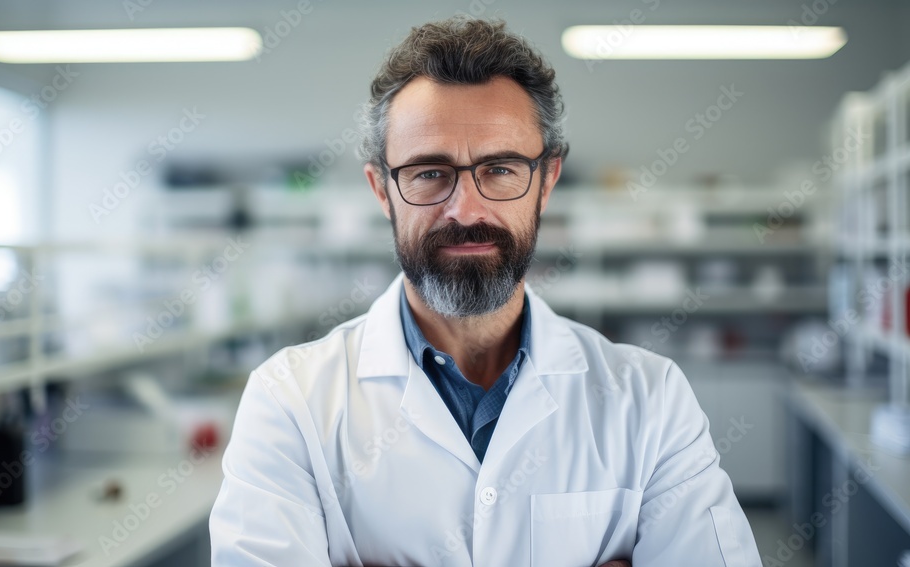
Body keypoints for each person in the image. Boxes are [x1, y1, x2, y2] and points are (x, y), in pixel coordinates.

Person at [210, 17, 761, 567]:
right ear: (382, 190)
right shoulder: (290, 401)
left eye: (499, 169)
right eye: (430, 172)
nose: (466, 210)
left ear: (546, 182)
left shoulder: (650, 399)